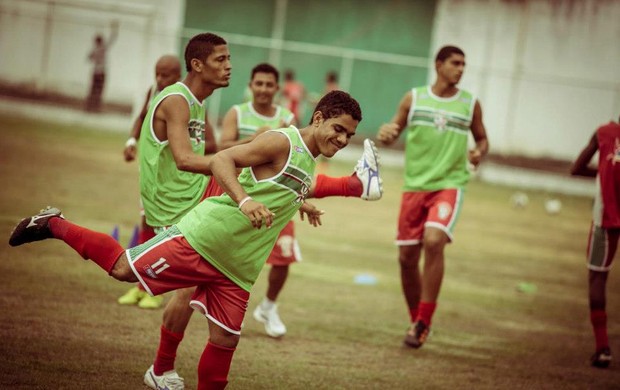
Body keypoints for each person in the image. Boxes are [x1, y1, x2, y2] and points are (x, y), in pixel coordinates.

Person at [9, 90, 363, 390]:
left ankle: (161, 370)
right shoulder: (282, 140)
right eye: (339, 129)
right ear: (318, 118)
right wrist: (244, 200)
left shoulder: (308, 160)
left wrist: (303, 202)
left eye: (349, 135)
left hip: (238, 267)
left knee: (225, 340)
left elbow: (273, 186)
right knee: (122, 269)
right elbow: (222, 159)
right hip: (202, 240)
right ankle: (53, 224)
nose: (343, 139)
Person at [219, 62, 382, 338]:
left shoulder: (288, 119)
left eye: (270, 84)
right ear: (250, 85)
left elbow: (289, 167)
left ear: (278, 87)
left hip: (281, 199)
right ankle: (353, 184)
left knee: (282, 259)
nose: (264, 89)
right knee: (135, 269)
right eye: (258, 83)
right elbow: (220, 153)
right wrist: (254, 140)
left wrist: (300, 200)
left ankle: (267, 306)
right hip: (242, 195)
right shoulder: (239, 114)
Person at [377, 45, 489, 349]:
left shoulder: (470, 103)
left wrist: (479, 152)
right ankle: (417, 322)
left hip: (450, 184)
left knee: (434, 240)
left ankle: (424, 321)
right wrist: (386, 134)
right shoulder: (414, 98)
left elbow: (482, 138)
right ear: (439, 65)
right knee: (406, 258)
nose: (461, 69)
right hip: (415, 187)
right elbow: (392, 131)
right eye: (455, 63)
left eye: (464, 64)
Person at [118, 54, 182, 309]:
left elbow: (205, 139)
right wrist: (132, 141)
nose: (159, 78)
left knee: (164, 233)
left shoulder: (184, 101)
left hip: (172, 182)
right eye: (157, 73)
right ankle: (141, 286)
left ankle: (155, 290)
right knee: (146, 224)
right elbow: (141, 116)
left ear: (178, 75)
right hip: (150, 177)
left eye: (165, 74)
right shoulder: (154, 91)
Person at [570, 116, 620, 368]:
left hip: (605, 220)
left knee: (598, 278)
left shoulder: (603, 133)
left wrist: (603, 173)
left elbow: (576, 168)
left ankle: (602, 348)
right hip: (607, 219)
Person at [86, 20, 119, 112]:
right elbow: (112, 39)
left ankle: (91, 107)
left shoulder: (96, 49)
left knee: (93, 89)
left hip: (97, 71)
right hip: (101, 72)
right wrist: (115, 29)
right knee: (98, 90)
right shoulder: (102, 48)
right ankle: (94, 107)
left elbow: (89, 58)